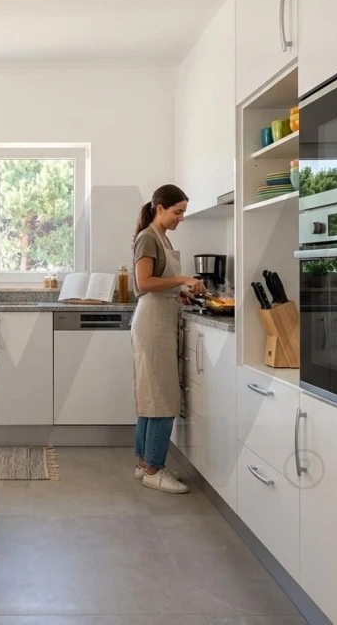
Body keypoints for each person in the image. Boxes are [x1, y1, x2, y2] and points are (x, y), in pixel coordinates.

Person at [131, 184, 206, 494]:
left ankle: (143, 463)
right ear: (159, 208)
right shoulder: (148, 238)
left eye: (184, 212)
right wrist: (183, 279)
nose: (181, 218)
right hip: (153, 322)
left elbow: (158, 284)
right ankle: (154, 470)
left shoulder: (160, 237)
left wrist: (180, 293)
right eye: (178, 212)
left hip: (159, 317)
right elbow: (144, 282)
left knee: (151, 395)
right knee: (162, 398)